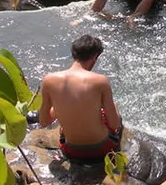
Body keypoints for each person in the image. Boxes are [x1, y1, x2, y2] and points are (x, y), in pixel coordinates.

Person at [38, 35, 123, 165]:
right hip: (102, 149)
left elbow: (44, 121)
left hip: (70, 150)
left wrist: (60, 108)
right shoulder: (100, 81)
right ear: (94, 57)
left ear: (74, 54)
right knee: (114, 107)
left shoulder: (49, 80)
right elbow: (114, 124)